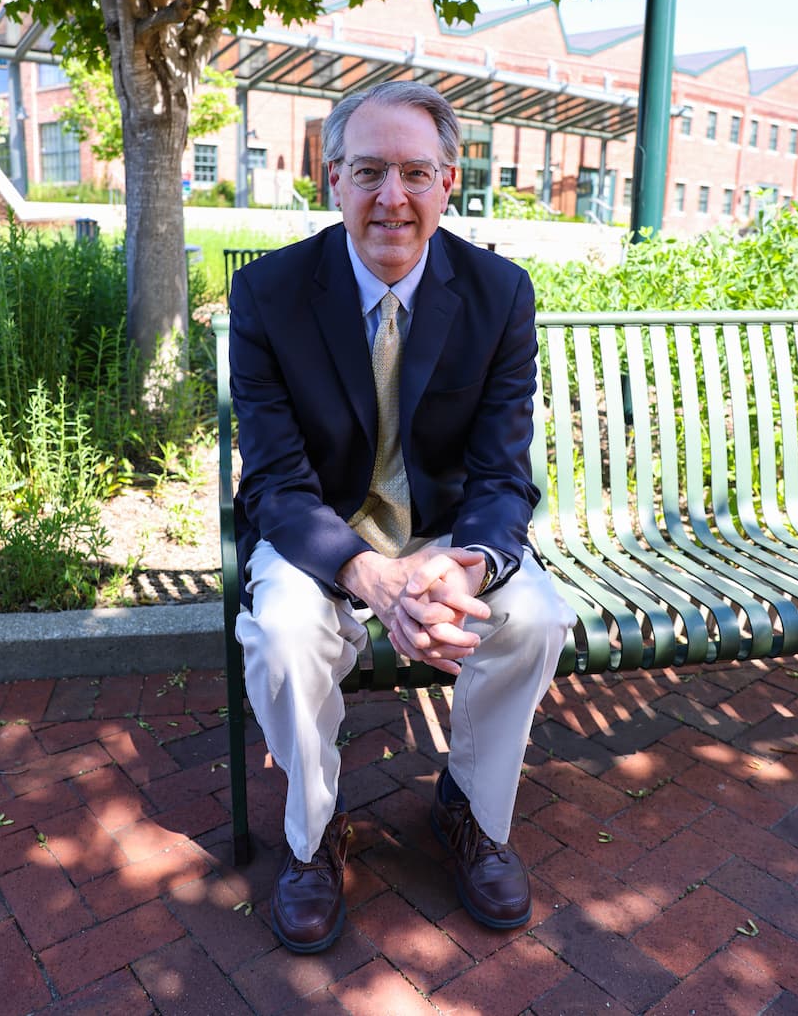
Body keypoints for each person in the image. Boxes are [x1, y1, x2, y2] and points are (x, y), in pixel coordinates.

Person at [229, 80, 575, 955]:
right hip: (323, 535)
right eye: (369, 171)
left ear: (449, 182)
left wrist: (468, 568)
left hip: (445, 533)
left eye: (416, 172)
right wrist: (366, 574)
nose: (394, 197)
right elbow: (274, 479)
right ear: (332, 179)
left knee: (535, 619)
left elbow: (501, 472)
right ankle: (313, 839)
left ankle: (471, 813)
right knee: (280, 634)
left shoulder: (498, 294)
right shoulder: (268, 295)